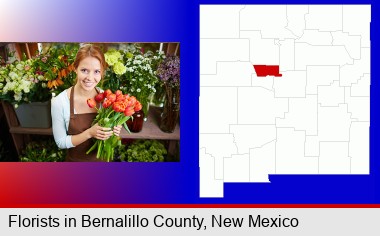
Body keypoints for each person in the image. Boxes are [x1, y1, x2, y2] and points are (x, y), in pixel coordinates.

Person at [51, 44, 122, 161]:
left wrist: (114, 129)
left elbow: (109, 134)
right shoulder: (60, 102)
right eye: (84, 70)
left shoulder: (106, 97)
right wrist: (89, 133)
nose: (90, 77)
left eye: (96, 71)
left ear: (102, 72)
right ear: (75, 69)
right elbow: (61, 142)